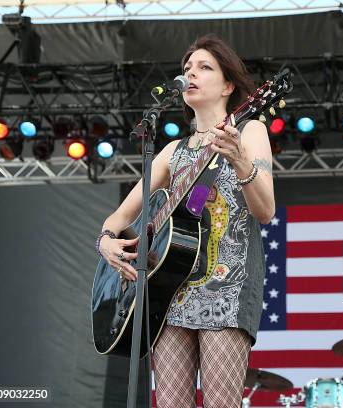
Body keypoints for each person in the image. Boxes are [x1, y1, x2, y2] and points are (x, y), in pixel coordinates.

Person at [96, 33, 275, 407]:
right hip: (170, 291)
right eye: (187, 68)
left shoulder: (250, 130)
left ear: (228, 84)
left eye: (204, 67)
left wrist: (240, 160)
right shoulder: (171, 152)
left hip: (226, 290)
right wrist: (108, 239)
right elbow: (119, 216)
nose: (191, 73)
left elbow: (266, 211)